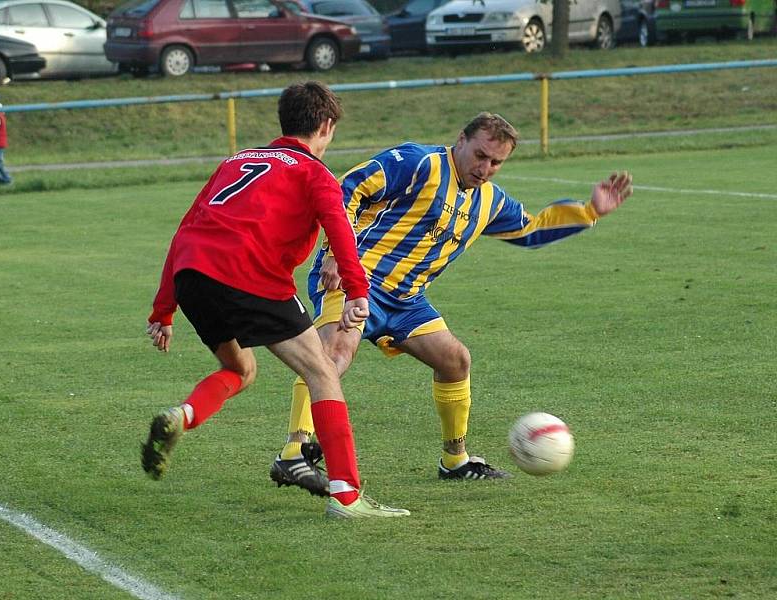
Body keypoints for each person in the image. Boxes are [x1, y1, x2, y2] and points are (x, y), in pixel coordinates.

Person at [269, 112, 633, 495]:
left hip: (406, 299)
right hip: (354, 279)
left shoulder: (489, 202)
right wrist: (333, 253)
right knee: (333, 355)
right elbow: (348, 188)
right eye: (480, 155)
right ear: (460, 140)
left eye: (496, 162)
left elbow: (530, 228)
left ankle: (455, 461)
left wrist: (589, 212)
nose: (485, 168)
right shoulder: (418, 163)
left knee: (455, 360)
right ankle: (294, 452)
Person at [142, 81, 409, 519]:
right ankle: (346, 497)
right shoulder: (314, 172)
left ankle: (183, 415)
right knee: (322, 371)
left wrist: (163, 309)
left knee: (239, 370)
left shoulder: (237, 160)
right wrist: (358, 292)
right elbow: (339, 229)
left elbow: (186, 227)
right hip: (249, 275)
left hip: (193, 273)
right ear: (326, 125)